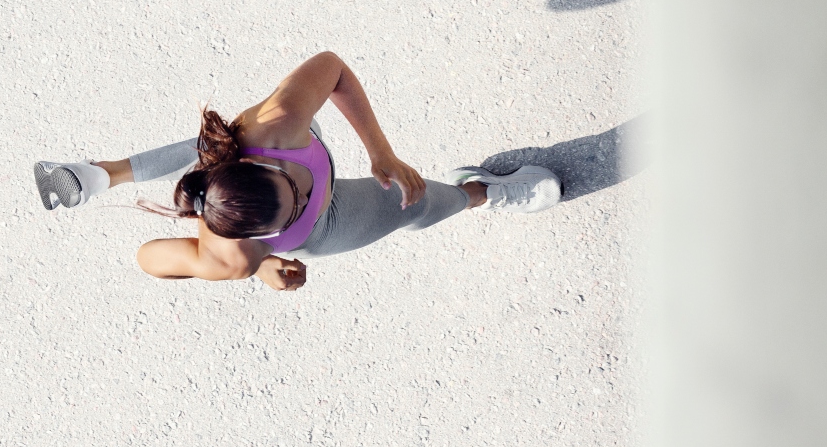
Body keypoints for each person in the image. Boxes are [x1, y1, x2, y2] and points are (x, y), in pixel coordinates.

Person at [33, 51, 560, 291]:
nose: (304, 198)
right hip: (321, 234)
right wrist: (259, 264)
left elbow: (332, 66)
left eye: (292, 191)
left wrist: (381, 152)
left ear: (264, 166)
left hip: (247, 160)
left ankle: (103, 173)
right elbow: (148, 259)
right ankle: (480, 192)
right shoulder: (234, 254)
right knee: (417, 205)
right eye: (289, 213)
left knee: (213, 143)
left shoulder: (271, 129)